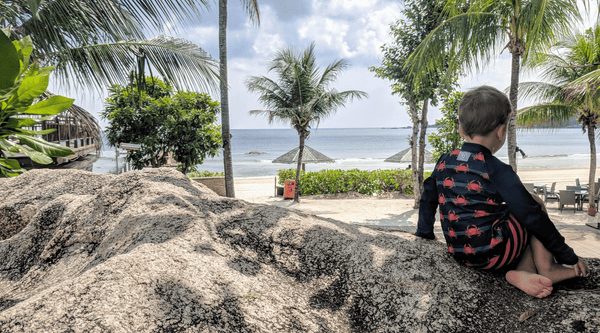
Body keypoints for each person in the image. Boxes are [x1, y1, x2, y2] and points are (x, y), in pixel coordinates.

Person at [414, 86, 589, 298]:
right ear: (501, 131)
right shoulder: (495, 169)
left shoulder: (444, 161)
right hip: (494, 254)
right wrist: (568, 256)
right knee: (534, 206)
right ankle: (546, 269)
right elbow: (532, 216)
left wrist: (424, 233)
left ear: (461, 130)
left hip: (460, 253)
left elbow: (428, 198)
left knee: (518, 210)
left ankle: (523, 272)